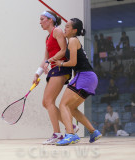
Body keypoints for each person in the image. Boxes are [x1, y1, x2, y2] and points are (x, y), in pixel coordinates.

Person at [54, 18, 102, 146]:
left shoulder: (73, 40)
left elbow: (73, 63)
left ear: (74, 30)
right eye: (65, 26)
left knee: (63, 104)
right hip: (89, 77)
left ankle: (70, 135)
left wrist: (61, 63)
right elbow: (77, 64)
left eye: (68, 27)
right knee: (72, 108)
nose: (65, 28)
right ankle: (93, 132)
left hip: (85, 76)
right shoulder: (74, 41)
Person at [33, 11, 79, 145]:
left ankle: (57, 134)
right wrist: (37, 74)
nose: (40, 22)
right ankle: (70, 125)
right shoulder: (48, 38)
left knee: (48, 101)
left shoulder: (57, 31)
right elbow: (45, 59)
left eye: (42, 19)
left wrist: (50, 61)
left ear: (50, 20)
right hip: (54, 69)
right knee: (45, 102)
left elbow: (64, 50)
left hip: (61, 68)